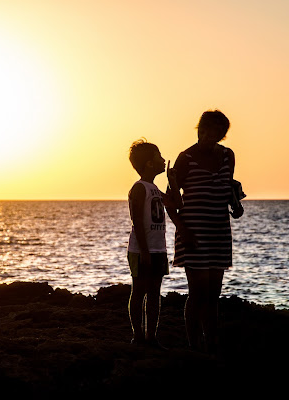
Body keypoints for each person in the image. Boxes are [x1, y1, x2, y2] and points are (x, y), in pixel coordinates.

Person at [166, 109, 237, 355]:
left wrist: (236, 205)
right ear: (199, 128)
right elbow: (170, 201)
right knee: (197, 293)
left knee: (214, 293)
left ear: (221, 134)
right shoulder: (185, 158)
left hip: (219, 231)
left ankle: (211, 343)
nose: (206, 135)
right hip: (193, 232)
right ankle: (193, 345)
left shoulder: (228, 156)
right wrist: (183, 231)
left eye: (214, 132)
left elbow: (228, 190)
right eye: (203, 129)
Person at [126, 139, 180, 348]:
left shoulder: (155, 189)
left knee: (155, 294)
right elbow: (137, 221)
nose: (162, 159)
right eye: (158, 156)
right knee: (139, 291)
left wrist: (172, 181)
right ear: (149, 163)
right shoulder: (139, 188)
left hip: (158, 249)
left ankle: (151, 337)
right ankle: (137, 336)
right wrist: (145, 251)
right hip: (141, 250)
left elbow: (177, 203)